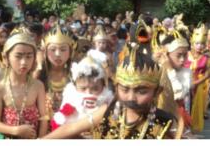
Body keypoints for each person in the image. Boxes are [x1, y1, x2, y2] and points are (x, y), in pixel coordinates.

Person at [43, 44, 180, 139]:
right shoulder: (108, 111)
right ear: (116, 87)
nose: (131, 97)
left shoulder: (165, 123)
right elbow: (70, 129)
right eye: (124, 89)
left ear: (157, 92)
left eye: (141, 91)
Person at [0, 30, 48, 138]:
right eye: (18, 56)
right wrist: (16, 130)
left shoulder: (38, 86)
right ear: (6, 58)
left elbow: (43, 118)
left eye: (28, 56)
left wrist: (41, 140)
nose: (24, 62)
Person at [50, 52, 114, 138]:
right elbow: (61, 127)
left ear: (103, 87)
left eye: (95, 89)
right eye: (83, 89)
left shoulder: (108, 105)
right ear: (75, 86)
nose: (88, 93)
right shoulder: (70, 98)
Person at [40, 25, 76, 122]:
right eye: (52, 49)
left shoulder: (75, 75)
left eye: (63, 49)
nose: (58, 54)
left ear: (70, 52)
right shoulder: (38, 75)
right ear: (45, 52)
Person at [184, 24, 210, 133]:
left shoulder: (206, 58)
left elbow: (208, 74)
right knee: (185, 106)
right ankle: (184, 126)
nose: (199, 46)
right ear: (192, 43)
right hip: (184, 84)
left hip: (199, 86)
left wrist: (196, 82)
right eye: (197, 43)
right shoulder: (185, 54)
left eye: (202, 44)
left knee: (195, 107)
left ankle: (192, 126)